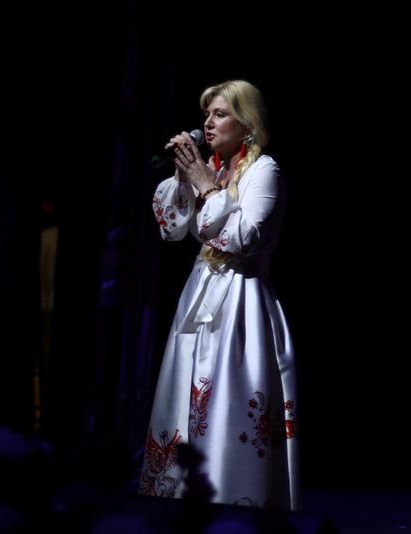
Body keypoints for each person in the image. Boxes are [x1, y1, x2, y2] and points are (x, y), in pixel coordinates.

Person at [141, 80, 300, 512]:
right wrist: (184, 176)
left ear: (246, 124)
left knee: (230, 402)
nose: (207, 123)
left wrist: (207, 188)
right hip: (201, 293)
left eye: (220, 114)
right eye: (206, 114)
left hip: (240, 298)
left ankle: (234, 498)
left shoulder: (264, 170)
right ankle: (178, 499)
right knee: (185, 397)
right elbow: (171, 228)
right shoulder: (210, 168)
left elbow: (243, 238)